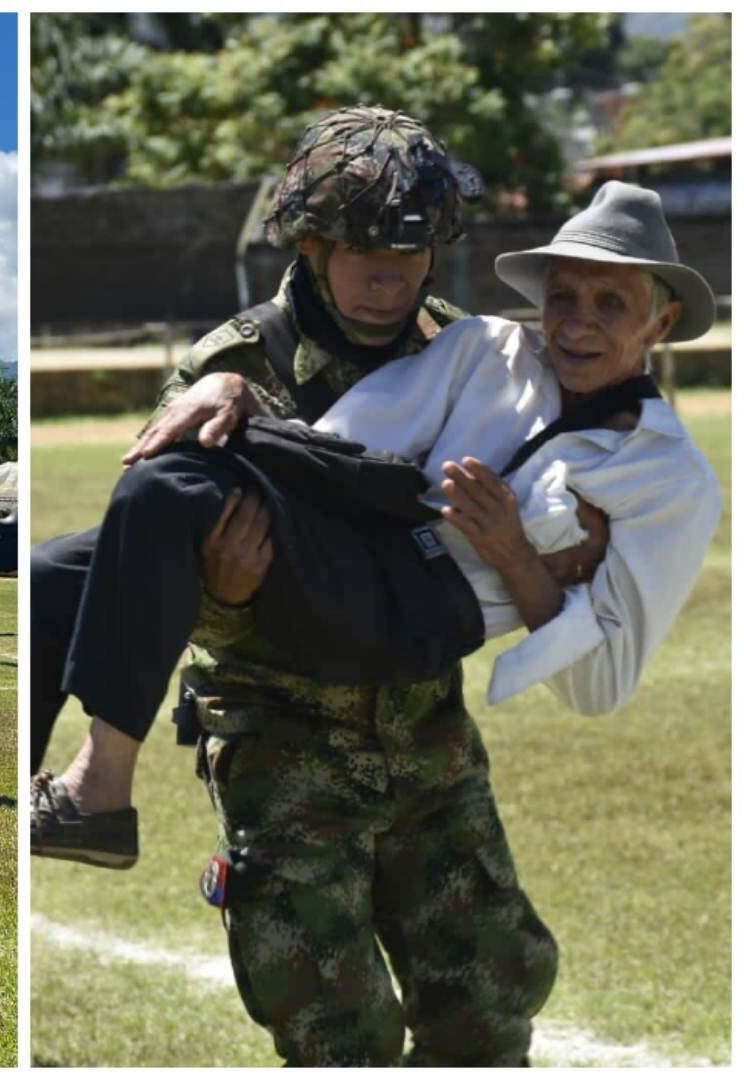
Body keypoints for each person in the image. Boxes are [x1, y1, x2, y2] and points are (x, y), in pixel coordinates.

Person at [31, 107, 579, 1066]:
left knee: (488, 1004)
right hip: (279, 737)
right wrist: (229, 603)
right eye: (363, 251)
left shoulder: (461, 349)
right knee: (337, 1031)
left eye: (411, 258)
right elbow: (144, 564)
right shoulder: (233, 365)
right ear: (311, 243)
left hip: (427, 735)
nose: (388, 280)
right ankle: (81, 785)